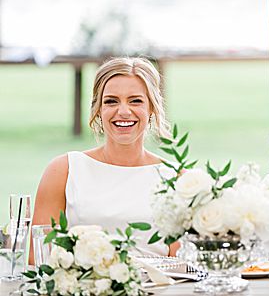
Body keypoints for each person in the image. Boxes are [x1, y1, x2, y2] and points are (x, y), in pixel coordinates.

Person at [33, 57, 176, 257]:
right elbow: (39, 258)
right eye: (111, 101)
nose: (123, 111)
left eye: (135, 101)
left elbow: (184, 265)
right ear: (99, 109)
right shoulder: (64, 170)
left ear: (151, 107)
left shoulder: (176, 179)